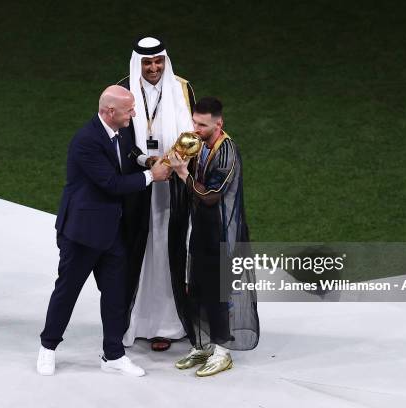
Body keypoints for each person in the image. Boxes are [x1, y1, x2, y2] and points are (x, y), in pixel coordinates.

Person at [37, 85, 171, 377]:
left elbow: (127, 153)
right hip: (82, 234)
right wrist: (153, 175)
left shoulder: (117, 131)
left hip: (111, 233)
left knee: (116, 295)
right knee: (67, 291)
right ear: (110, 112)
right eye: (129, 110)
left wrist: (144, 160)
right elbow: (111, 183)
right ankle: (48, 347)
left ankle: (113, 355)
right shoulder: (86, 141)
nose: (133, 114)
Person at [168, 96, 259, 377]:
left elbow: (210, 196)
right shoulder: (201, 146)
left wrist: (183, 173)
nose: (196, 128)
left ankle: (223, 351)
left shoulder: (227, 152)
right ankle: (202, 345)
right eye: (194, 122)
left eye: (203, 124)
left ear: (219, 124)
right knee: (195, 289)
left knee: (219, 293)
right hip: (201, 230)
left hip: (222, 233)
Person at [117, 36, 196, 352]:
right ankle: (133, 321)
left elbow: (193, 132)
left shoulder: (182, 88)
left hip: (173, 184)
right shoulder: (123, 90)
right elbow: (117, 136)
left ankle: (168, 325)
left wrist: (176, 160)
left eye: (158, 61)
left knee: (168, 249)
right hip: (137, 183)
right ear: (139, 62)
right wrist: (147, 161)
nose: (153, 68)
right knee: (136, 249)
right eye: (148, 63)